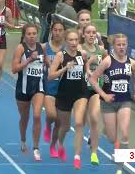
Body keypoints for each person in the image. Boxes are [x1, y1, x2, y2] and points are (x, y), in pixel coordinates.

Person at [89, 33, 135, 174]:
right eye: (119, 44)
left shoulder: (132, 63)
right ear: (114, 46)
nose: (122, 47)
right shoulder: (107, 61)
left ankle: (120, 167)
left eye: (124, 44)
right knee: (112, 138)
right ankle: (107, 130)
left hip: (124, 102)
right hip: (109, 104)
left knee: (124, 134)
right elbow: (93, 79)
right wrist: (104, 95)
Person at [48, 29, 88, 169]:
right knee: (63, 127)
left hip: (80, 93)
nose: (74, 43)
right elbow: (50, 76)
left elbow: (86, 70)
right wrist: (64, 68)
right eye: (71, 40)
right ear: (66, 41)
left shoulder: (82, 55)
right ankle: (56, 144)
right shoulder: (60, 55)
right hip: (64, 94)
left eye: (76, 40)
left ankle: (77, 156)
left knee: (78, 123)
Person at [11, 24, 45, 161]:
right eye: (29, 34)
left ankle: (36, 148)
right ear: (24, 36)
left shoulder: (42, 47)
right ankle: (23, 140)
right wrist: (30, 59)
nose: (32, 36)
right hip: (23, 88)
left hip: (38, 87)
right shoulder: (20, 48)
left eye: (34, 33)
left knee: (37, 115)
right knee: (25, 117)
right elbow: (14, 69)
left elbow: (48, 63)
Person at [79, 23, 108, 165]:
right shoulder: (80, 49)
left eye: (93, 32)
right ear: (83, 34)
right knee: (80, 121)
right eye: (88, 32)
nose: (91, 35)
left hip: (96, 89)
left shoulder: (101, 50)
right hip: (81, 89)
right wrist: (88, 63)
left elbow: (108, 63)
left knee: (95, 118)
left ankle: (94, 153)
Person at [41, 21, 65, 158]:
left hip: (62, 90)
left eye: (60, 30)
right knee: (51, 115)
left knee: (60, 122)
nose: (57, 32)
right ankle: (47, 125)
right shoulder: (44, 47)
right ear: (51, 31)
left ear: (64, 32)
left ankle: (53, 145)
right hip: (48, 87)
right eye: (55, 30)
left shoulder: (68, 50)